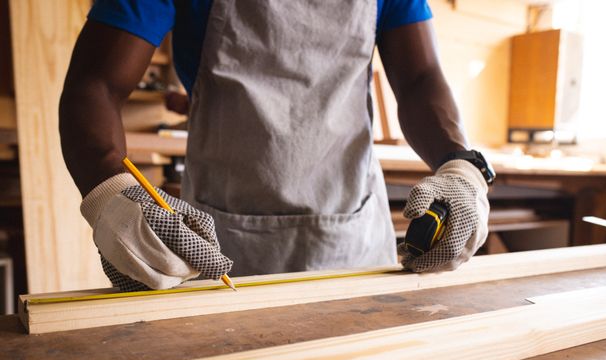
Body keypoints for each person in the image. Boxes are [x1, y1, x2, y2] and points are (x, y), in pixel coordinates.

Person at [59, 0, 493, 292]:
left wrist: (461, 165)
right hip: (220, 245)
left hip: (353, 236)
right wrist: (109, 194)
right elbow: (95, 83)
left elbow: (420, 79)